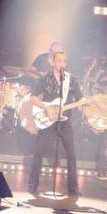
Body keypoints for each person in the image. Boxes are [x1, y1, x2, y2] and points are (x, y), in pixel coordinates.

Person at [28, 49, 82, 196]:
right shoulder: (45, 78)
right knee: (38, 151)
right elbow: (33, 97)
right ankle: (32, 184)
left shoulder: (72, 80)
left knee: (72, 153)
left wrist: (88, 104)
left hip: (65, 120)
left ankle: (73, 187)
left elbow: (80, 99)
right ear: (53, 62)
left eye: (64, 61)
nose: (62, 64)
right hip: (48, 118)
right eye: (59, 61)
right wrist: (46, 108)